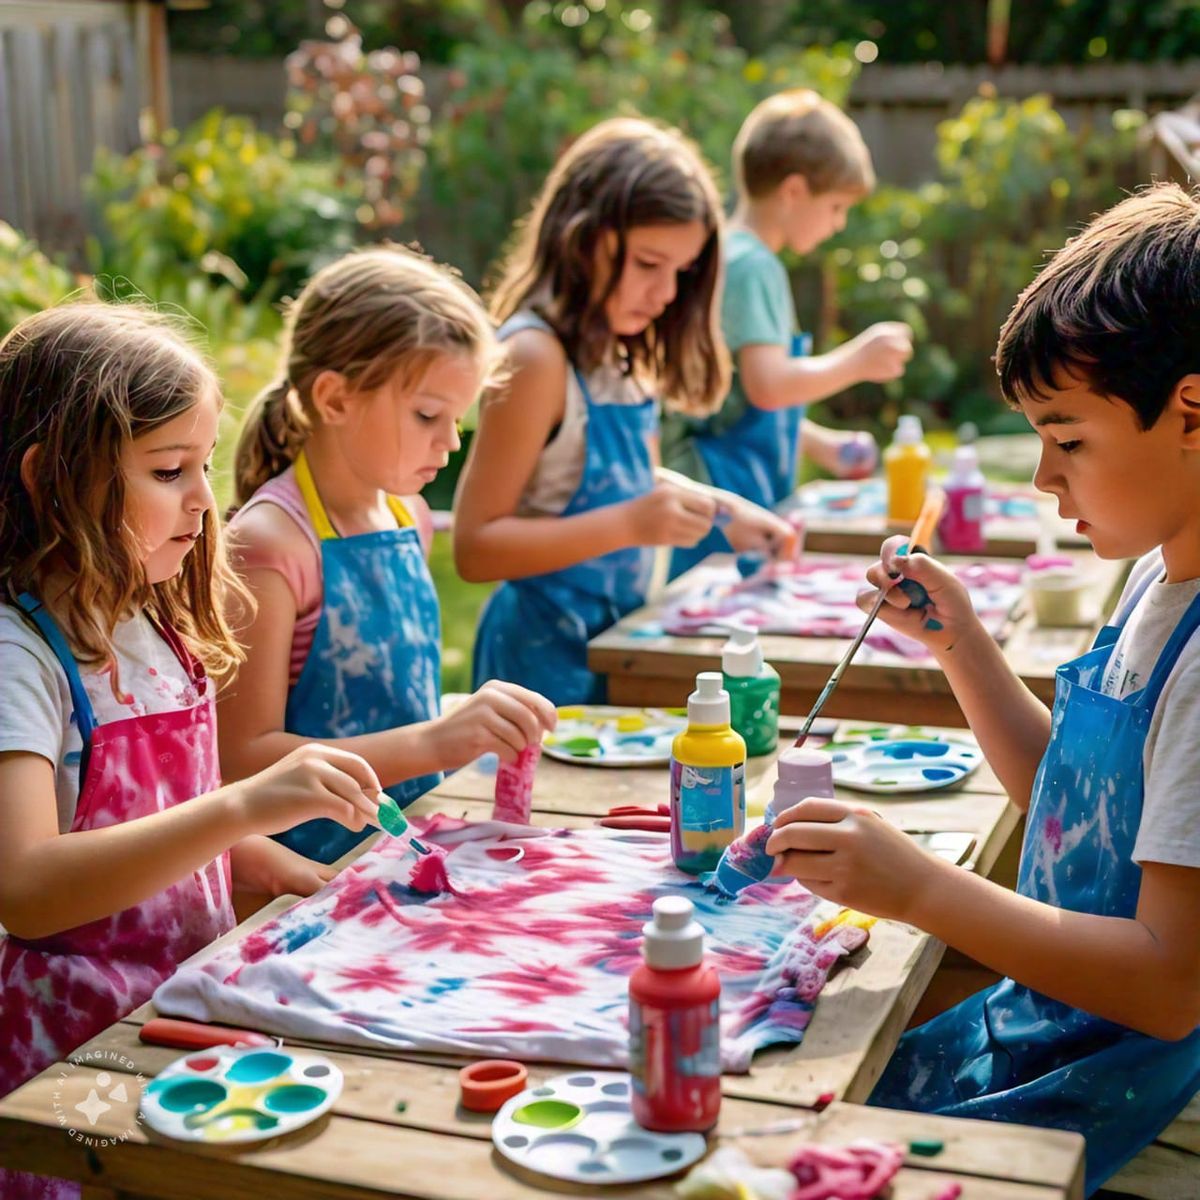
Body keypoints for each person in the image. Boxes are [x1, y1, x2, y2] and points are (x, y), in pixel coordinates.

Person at [765, 184, 1200, 1196]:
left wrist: (920, 890)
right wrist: (961, 644)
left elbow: (1171, 984)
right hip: (1047, 1038)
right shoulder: (1157, 573)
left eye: (1070, 439)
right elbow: (1071, 809)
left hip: (1114, 1095)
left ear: (1191, 410)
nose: (1045, 478)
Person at [0, 303, 382, 1199]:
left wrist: (302, 881)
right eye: (169, 470)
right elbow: (25, 889)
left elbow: (164, 830)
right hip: (76, 1063)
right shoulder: (21, 658)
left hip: (177, 1023)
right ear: (52, 482)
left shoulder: (153, 620)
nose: (207, 502)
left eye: (204, 464)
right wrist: (243, 804)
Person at [223, 246, 556, 864]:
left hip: (405, 850)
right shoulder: (271, 544)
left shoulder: (408, 517)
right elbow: (239, 758)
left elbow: (392, 704)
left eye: (458, 418)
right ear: (335, 398)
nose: (452, 442)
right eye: (429, 414)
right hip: (303, 878)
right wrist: (433, 742)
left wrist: (462, 720)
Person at [454, 117, 793, 705]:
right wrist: (632, 525)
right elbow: (475, 546)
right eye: (646, 264)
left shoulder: (621, 350)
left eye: (681, 272)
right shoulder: (535, 357)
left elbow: (619, 480)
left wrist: (721, 512)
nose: (665, 294)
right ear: (582, 237)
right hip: (537, 665)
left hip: (614, 646)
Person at [662, 89, 913, 575]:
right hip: (726, 496)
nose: (838, 224)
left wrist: (819, 444)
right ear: (794, 191)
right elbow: (770, 385)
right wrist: (858, 360)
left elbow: (740, 398)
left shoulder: (733, 258)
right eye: (837, 206)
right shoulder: (753, 266)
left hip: (726, 491)